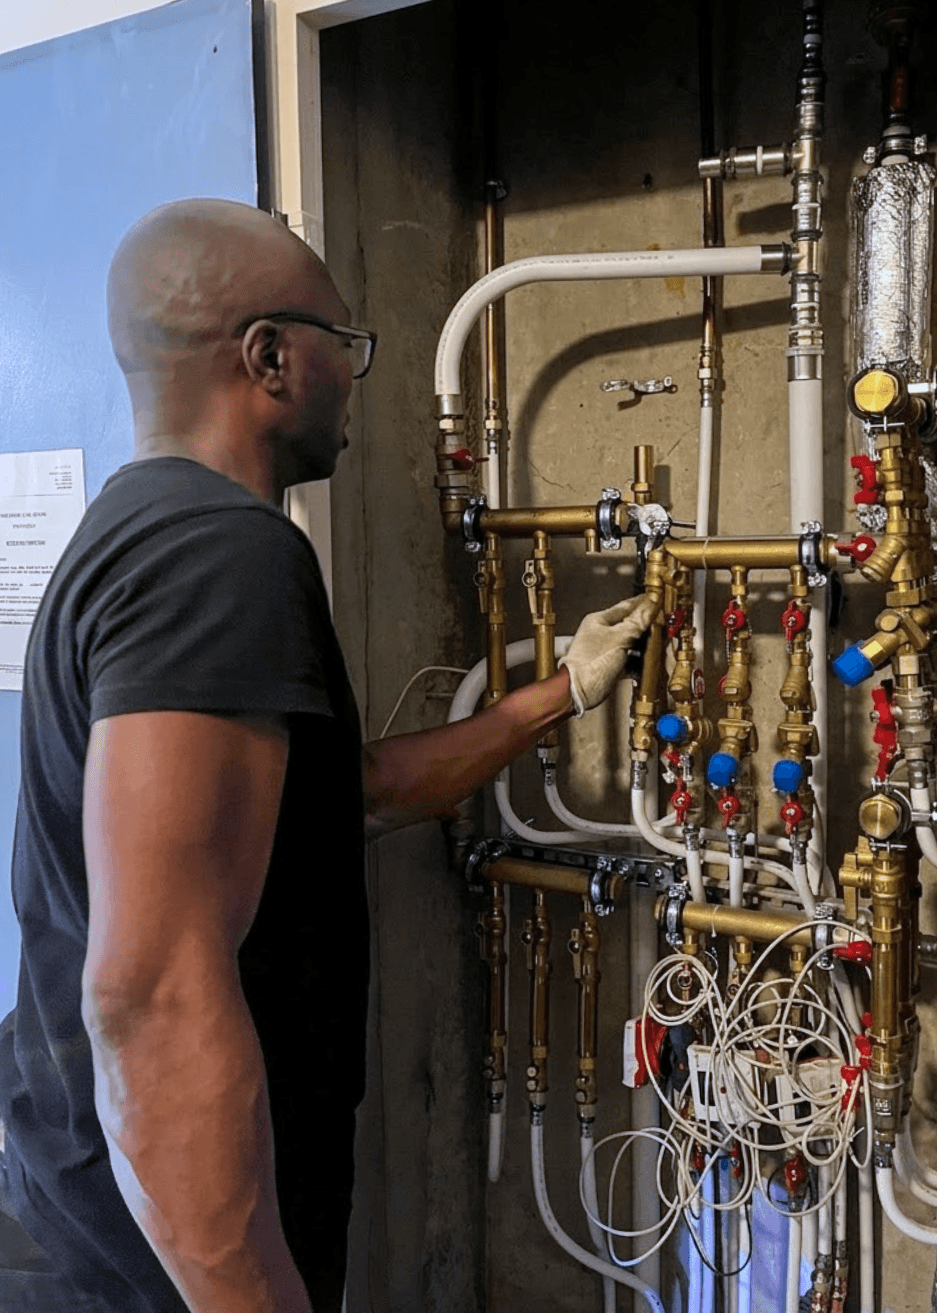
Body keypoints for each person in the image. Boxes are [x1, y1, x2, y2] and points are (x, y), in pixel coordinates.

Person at [0, 198, 656, 1313]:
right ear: (267, 357)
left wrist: (562, 692)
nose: (356, 378)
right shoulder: (220, 558)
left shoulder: (145, 528)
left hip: (112, 1210)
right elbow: (151, 995)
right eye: (343, 346)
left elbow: (331, 800)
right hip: (152, 1260)